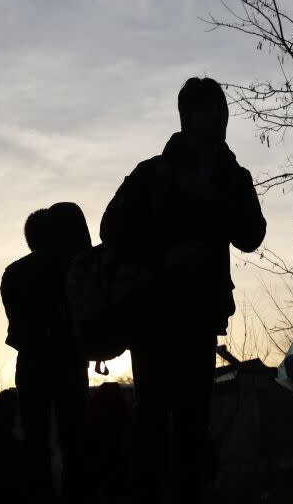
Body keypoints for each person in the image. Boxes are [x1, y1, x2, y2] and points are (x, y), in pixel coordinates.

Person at [100, 76, 266, 504]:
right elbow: (111, 228)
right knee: (153, 420)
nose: (220, 117)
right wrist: (163, 256)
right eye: (210, 109)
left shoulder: (233, 176)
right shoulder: (151, 172)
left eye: (223, 109)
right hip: (153, 314)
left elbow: (252, 235)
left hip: (199, 316)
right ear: (187, 116)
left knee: (192, 424)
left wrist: (217, 197)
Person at [0, 204, 91, 501]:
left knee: (35, 442)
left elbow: (16, 321)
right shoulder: (72, 267)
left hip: (31, 363)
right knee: (74, 439)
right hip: (68, 361)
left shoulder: (13, 273)